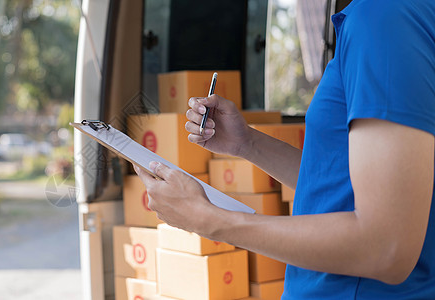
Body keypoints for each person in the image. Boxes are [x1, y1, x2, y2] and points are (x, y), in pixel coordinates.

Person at [133, 0, 435, 298]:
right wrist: (247, 143)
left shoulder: (385, 17)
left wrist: (207, 220)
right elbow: (340, 186)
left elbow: (385, 247)